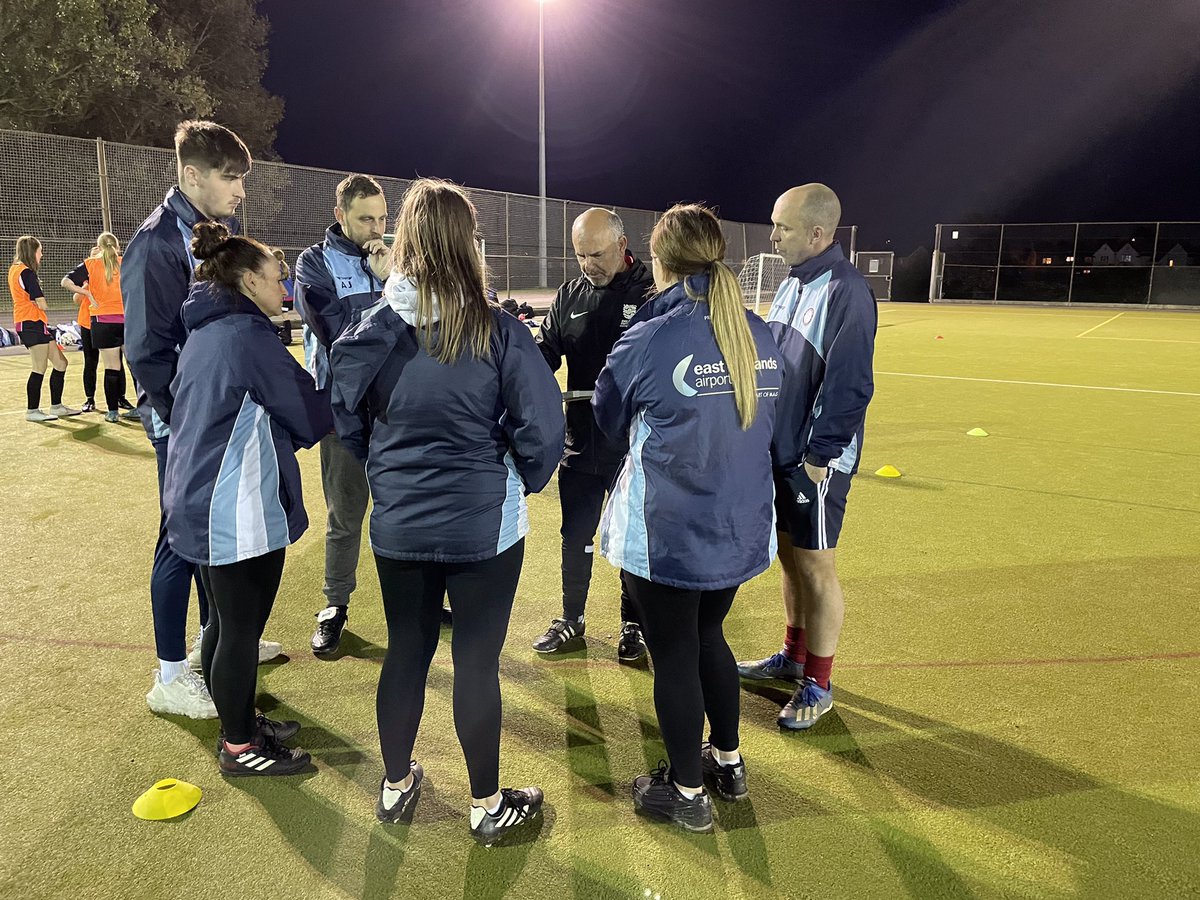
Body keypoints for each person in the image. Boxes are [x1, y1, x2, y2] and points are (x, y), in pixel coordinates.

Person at [330, 178, 564, 845]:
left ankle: (394, 786)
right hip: (482, 525)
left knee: (406, 653)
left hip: (399, 522)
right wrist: (519, 475)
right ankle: (486, 806)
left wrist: (390, 472)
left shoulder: (374, 328)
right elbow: (543, 431)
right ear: (468, 242)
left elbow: (347, 417)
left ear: (406, 239)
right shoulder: (496, 329)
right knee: (476, 664)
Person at [592, 204, 782, 833]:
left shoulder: (651, 337)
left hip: (669, 531)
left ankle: (687, 793)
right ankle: (728, 765)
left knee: (674, 654)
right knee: (708, 639)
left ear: (660, 260)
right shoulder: (759, 332)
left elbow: (608, 420)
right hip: (738, 527)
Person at [124, 120, 282, 719]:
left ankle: (219, 637)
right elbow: (146, 350)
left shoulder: (211, 234)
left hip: (212, 414)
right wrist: (187, 417)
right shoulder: (155, 243)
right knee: (180, 539)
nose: (240, 189)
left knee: (217, 536)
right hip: (184, 419)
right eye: (230, 176)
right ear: (191, 175)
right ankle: (170, 675)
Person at [165, 222, 331, 776]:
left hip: (200, 498)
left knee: (223, 624)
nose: (284, 289)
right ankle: (240, 747)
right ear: (249, 281)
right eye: (277, 278)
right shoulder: (245, 334)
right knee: (238, 630)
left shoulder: (206, 329)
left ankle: (237, 723)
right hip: (230, 506)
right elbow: (309, 414)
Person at [736, 184, 877, 731]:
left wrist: (821, 454)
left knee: (817, 565)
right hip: (781, 449)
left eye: (783, 227)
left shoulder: (848, 292)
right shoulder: (793, 282)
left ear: (817, 234)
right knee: (791, 557)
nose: (773, 237)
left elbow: (852, 384)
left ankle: (818, 683)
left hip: (814, 460)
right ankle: (793, 656)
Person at [531, 208, 654, 661]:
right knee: (575, 534)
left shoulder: (651, 293)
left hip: (635, 448)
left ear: (622, 246)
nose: (588, 265)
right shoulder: (570, 295)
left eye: (596, 255)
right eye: (580, 255)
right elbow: (544, 356)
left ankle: (633, 624)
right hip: (580, 444)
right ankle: (572, 618)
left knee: (632, 538)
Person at [294, 174, 391, 656]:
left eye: (382, 218)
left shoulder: (397, 257)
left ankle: (418, 598)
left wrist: (391, 279)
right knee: (346, 516)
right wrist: (389, 291)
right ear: (340, 216)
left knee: (402, 510)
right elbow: (338, 335)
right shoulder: (314, 263)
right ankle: (334, 606)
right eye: (365, 218)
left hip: (396, 408)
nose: (376, 228)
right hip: (343, 410)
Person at [60, 233, 139, 422]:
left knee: (111, 367)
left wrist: (87, 293)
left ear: (99, 246)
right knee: (134, 365)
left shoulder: (91, 264)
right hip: (127, 319)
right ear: (117, 246)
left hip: (102, 321)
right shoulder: (126, 262)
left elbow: (65, 281)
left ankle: (112, 412)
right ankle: (143, 408)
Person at [8, 236, 81, 422]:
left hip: (35, 323)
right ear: (32, 252)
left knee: (61, 363)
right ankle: (32, 410)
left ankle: (57, 406)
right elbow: (42, 303)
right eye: (40, 251)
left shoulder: (16, 269)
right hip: (30, 323)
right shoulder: (26, 272)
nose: (41, 255)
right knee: (39, 367)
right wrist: (39, 303)